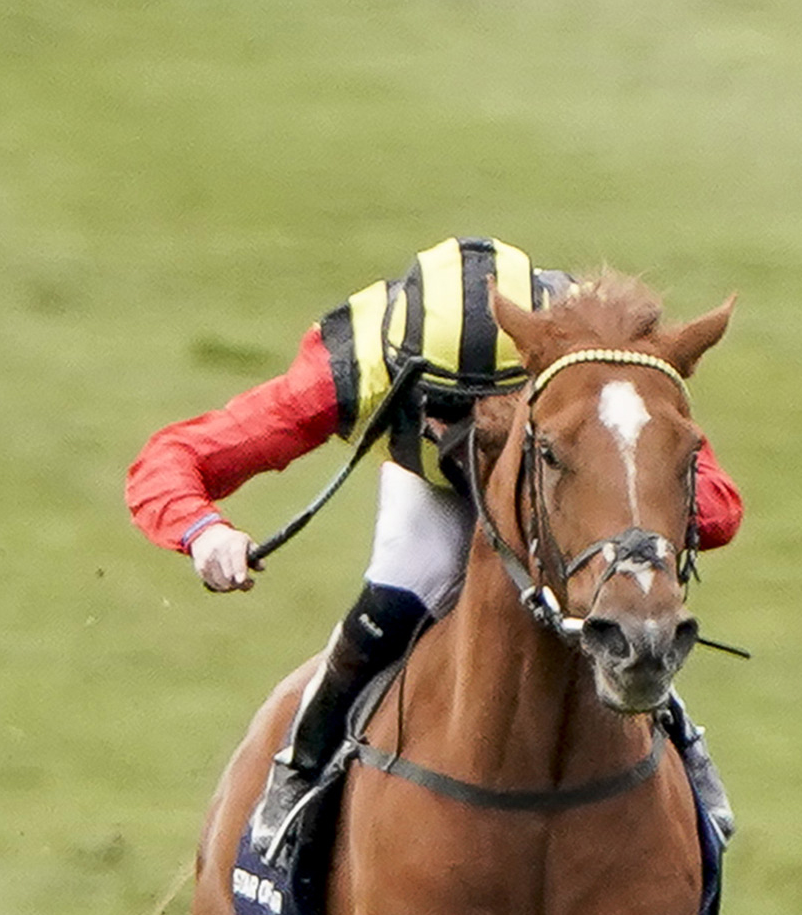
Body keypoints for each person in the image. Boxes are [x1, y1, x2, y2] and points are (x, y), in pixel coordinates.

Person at [124, 236, 744, 876]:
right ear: (402, 380)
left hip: (555, 485)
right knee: (396, 594)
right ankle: (299, 773)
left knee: (625, 612)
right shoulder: (351, 365)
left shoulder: (586, 354)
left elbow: (715, 502)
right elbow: (177, 456)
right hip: (433, 491)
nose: (465, 428)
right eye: (446, 408)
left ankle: (684, 751)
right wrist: (202, 530)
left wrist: (626, 516)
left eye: (493, 404)